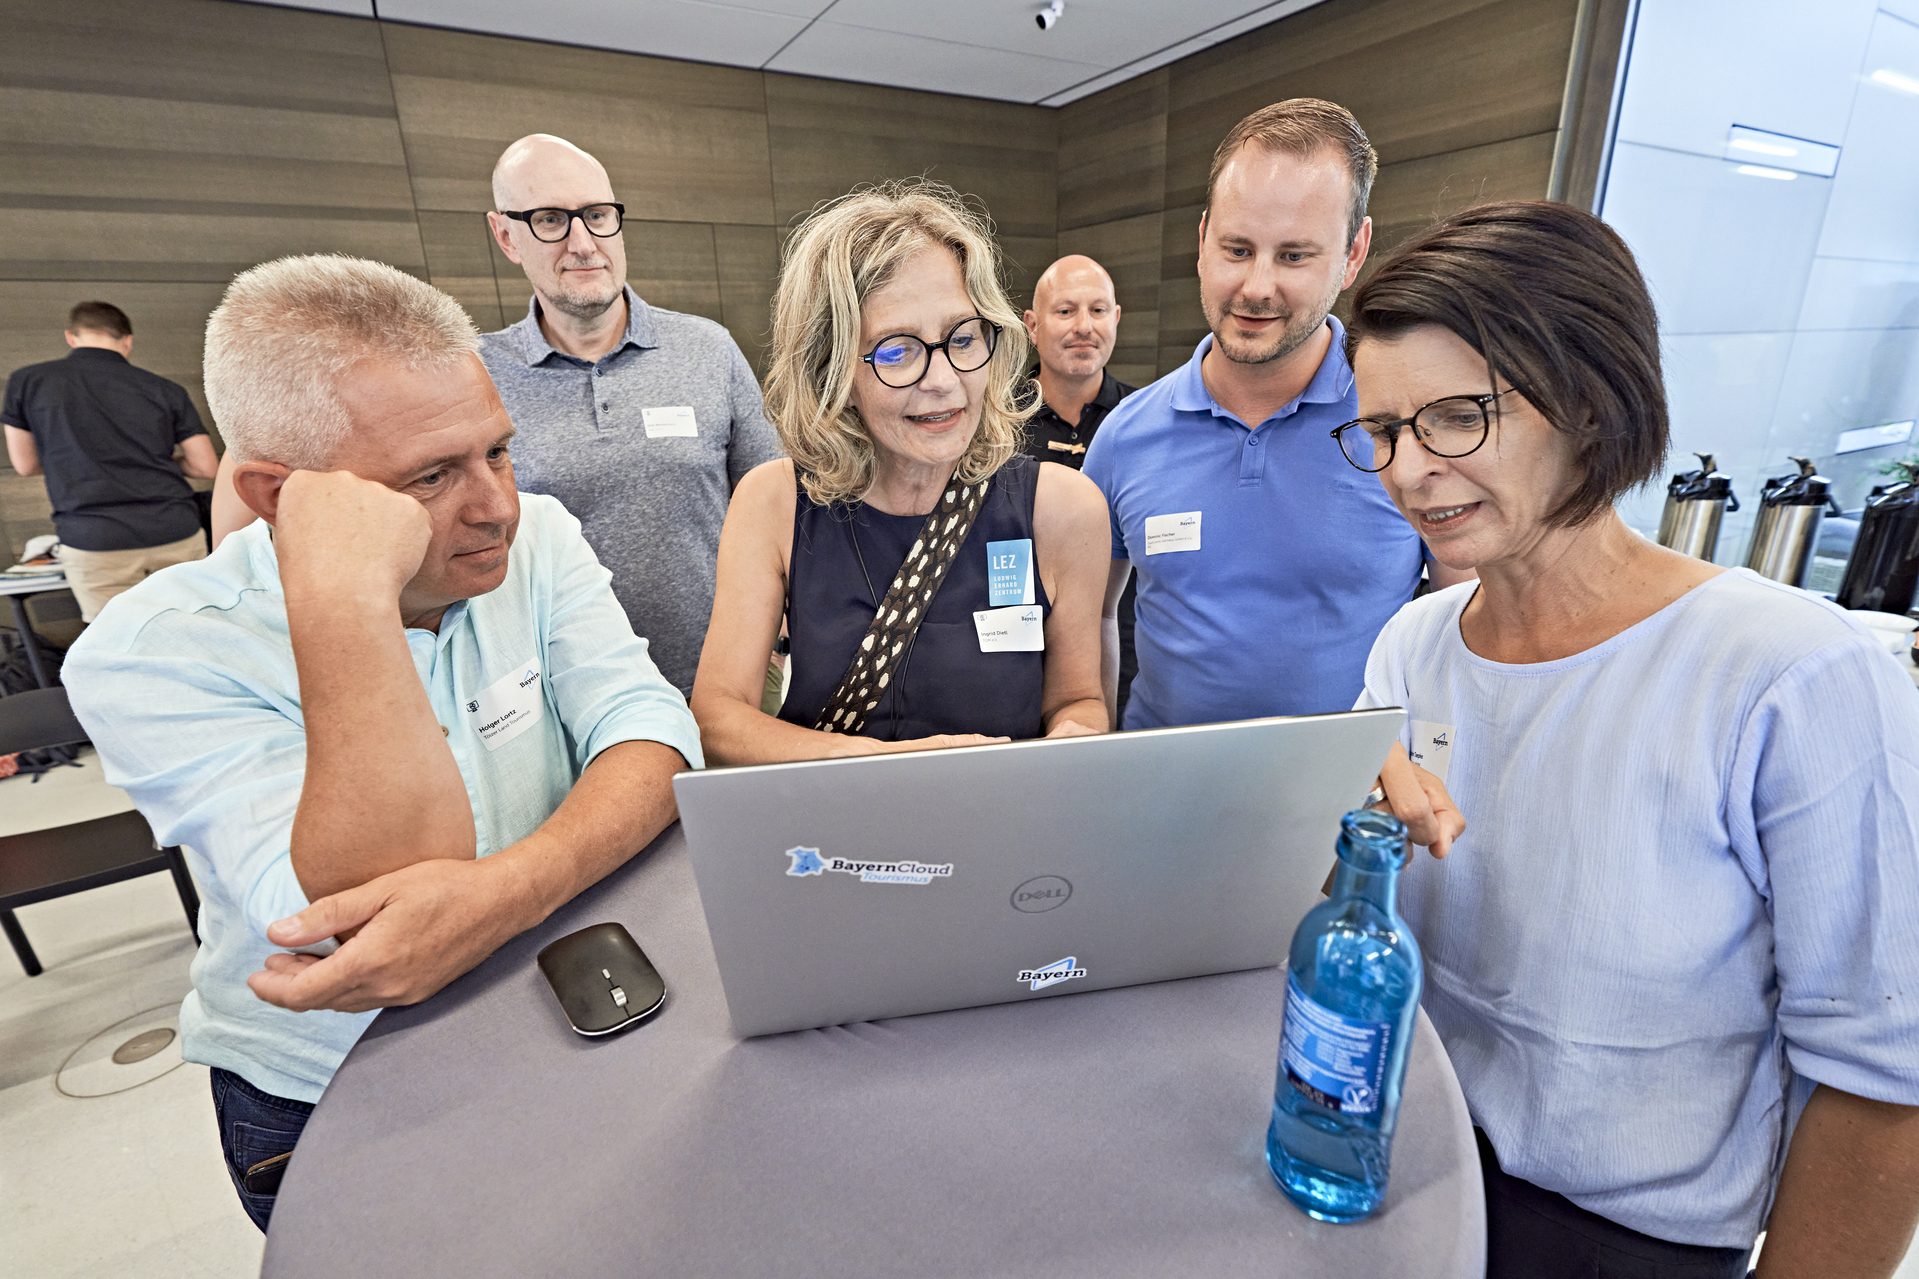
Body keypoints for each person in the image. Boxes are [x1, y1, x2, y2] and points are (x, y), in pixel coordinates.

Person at [62, 256, 702, 1231]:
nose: (495, 504)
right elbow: (366, 921)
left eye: (498, 451)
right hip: (326, 1089)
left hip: (558, 1002)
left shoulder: (537, 538)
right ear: (282, 494)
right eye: (432, 475)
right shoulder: (149, 653)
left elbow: (651, 732)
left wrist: (516, 885)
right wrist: (345, 599)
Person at [1352, 202, 1919, 1278]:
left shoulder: (1787, 673)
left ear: (1587, 400)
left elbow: (1881, 1075)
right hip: (1412, 1178)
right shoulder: (1410, 647)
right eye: (1380, 429)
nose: (1407, 468)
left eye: (1454, 419)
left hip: (1626, 1238)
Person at [690, 179, 1109, 763]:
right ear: (832, 368)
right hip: (833, 835)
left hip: (998, 826)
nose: (942, 381)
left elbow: (1080, 701)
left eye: (962, 338)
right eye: (896, 350)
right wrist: (890, 769)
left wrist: (1074, 736)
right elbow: (718, 717)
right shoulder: (776, 502)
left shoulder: (1062, 509)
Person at [1081, 99, 1468, 731]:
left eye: (1293, 256)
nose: (1257, 287)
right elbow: (1095, 614)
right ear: (1202, 240)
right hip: (1156, 797)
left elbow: (1461, 621)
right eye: (1237, 249)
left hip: (1344, 804)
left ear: (1353, 252)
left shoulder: (1407, 431)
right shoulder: (1126, 435)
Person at [481, 133, 782, 694]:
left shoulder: (707, 348)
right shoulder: (477, 376)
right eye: (550, 220)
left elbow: (780, 504)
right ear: (506, 236)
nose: (583, 243)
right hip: (563, 702)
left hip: (725, 687)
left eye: (597, 215)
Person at [2, 301, 218, 620]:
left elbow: (26, 465)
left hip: (95, 538)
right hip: (174, 530)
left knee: (116, 646)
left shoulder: (29, 382)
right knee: (193, 630)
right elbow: (206, 466)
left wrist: (81, 461)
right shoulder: (165, 389)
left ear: (71, 337)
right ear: (127, 341)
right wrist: (156, 462)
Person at [1020, 254, 1141, 716]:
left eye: (1097, 310)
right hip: (1018, 645)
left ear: (1116, 318)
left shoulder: (1144, 422)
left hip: (1127, 649)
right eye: (1066, 311)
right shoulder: (991, 424)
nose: (1083, 326)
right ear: (1033, 324)